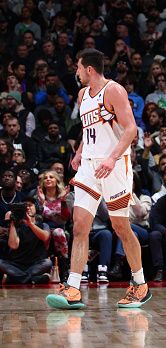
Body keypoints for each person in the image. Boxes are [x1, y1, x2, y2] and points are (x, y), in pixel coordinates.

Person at [46, 48, 151, 310]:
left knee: (120, 227)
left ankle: (139, 283)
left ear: (89, 69)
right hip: (90, 167)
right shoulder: (83, 95)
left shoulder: (114, 90)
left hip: (114, 166)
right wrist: (80, 153)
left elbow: (131, 130)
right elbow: (89, 130)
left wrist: (112, 157)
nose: (76, 72)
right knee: (80, 225)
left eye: (78, 68)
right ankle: (72, 287)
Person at [0, 197, 52, 284]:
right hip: (16, 264)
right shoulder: (16, 226)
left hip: (35, 264)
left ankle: (14, 279)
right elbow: (13, 245)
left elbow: (45, 237)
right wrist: (12, 222)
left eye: (30, 205)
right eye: (24, 206)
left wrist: (30, 223)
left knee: (47, 262)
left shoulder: (43, 225)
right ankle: (33, 279)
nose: (27, 208)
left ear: (36, 208)